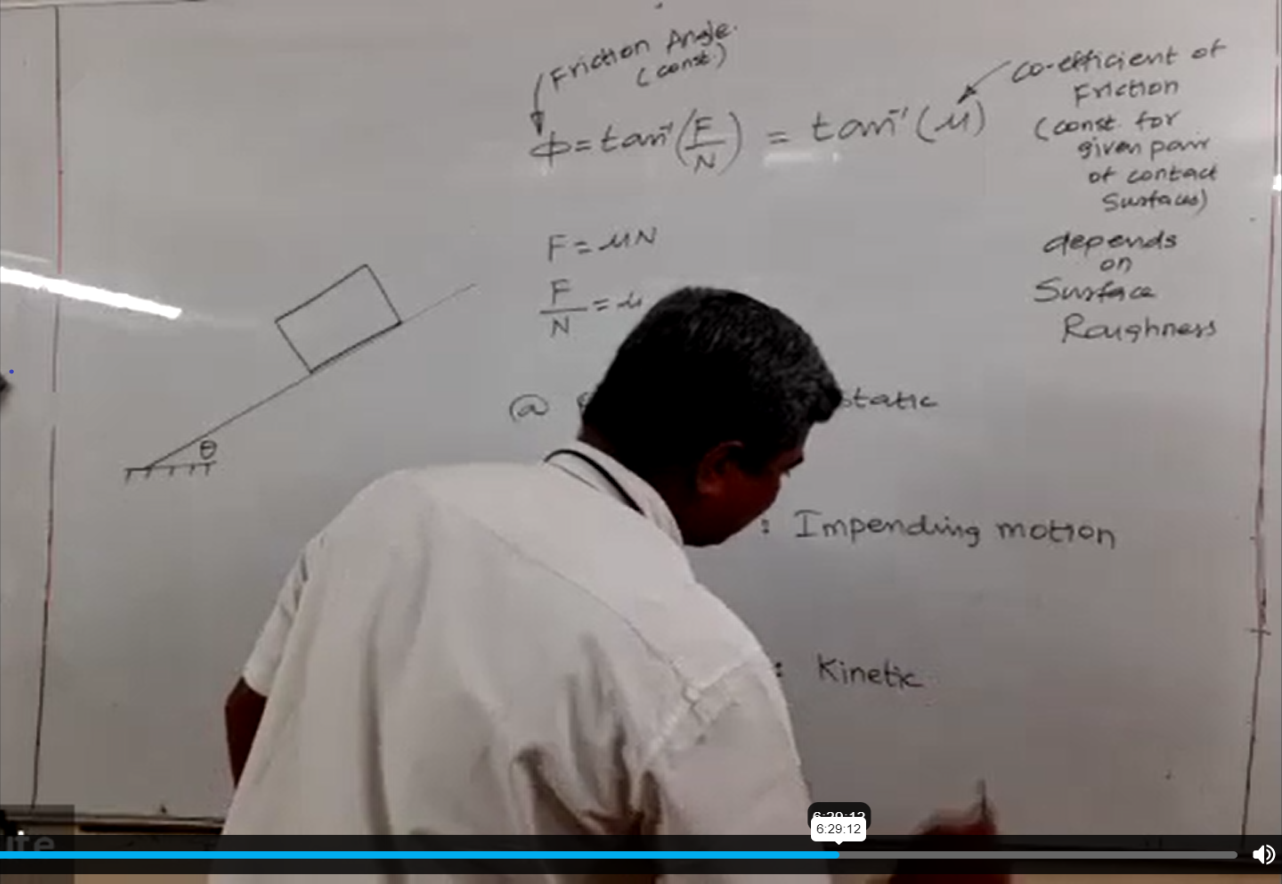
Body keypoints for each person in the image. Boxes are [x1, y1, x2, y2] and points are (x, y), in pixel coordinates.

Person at [220, 286, 1001, 879]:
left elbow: (251, 709)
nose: (778, 495)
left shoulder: (392, 506)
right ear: (719, 466)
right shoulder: (692, 658)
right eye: (781, 471)